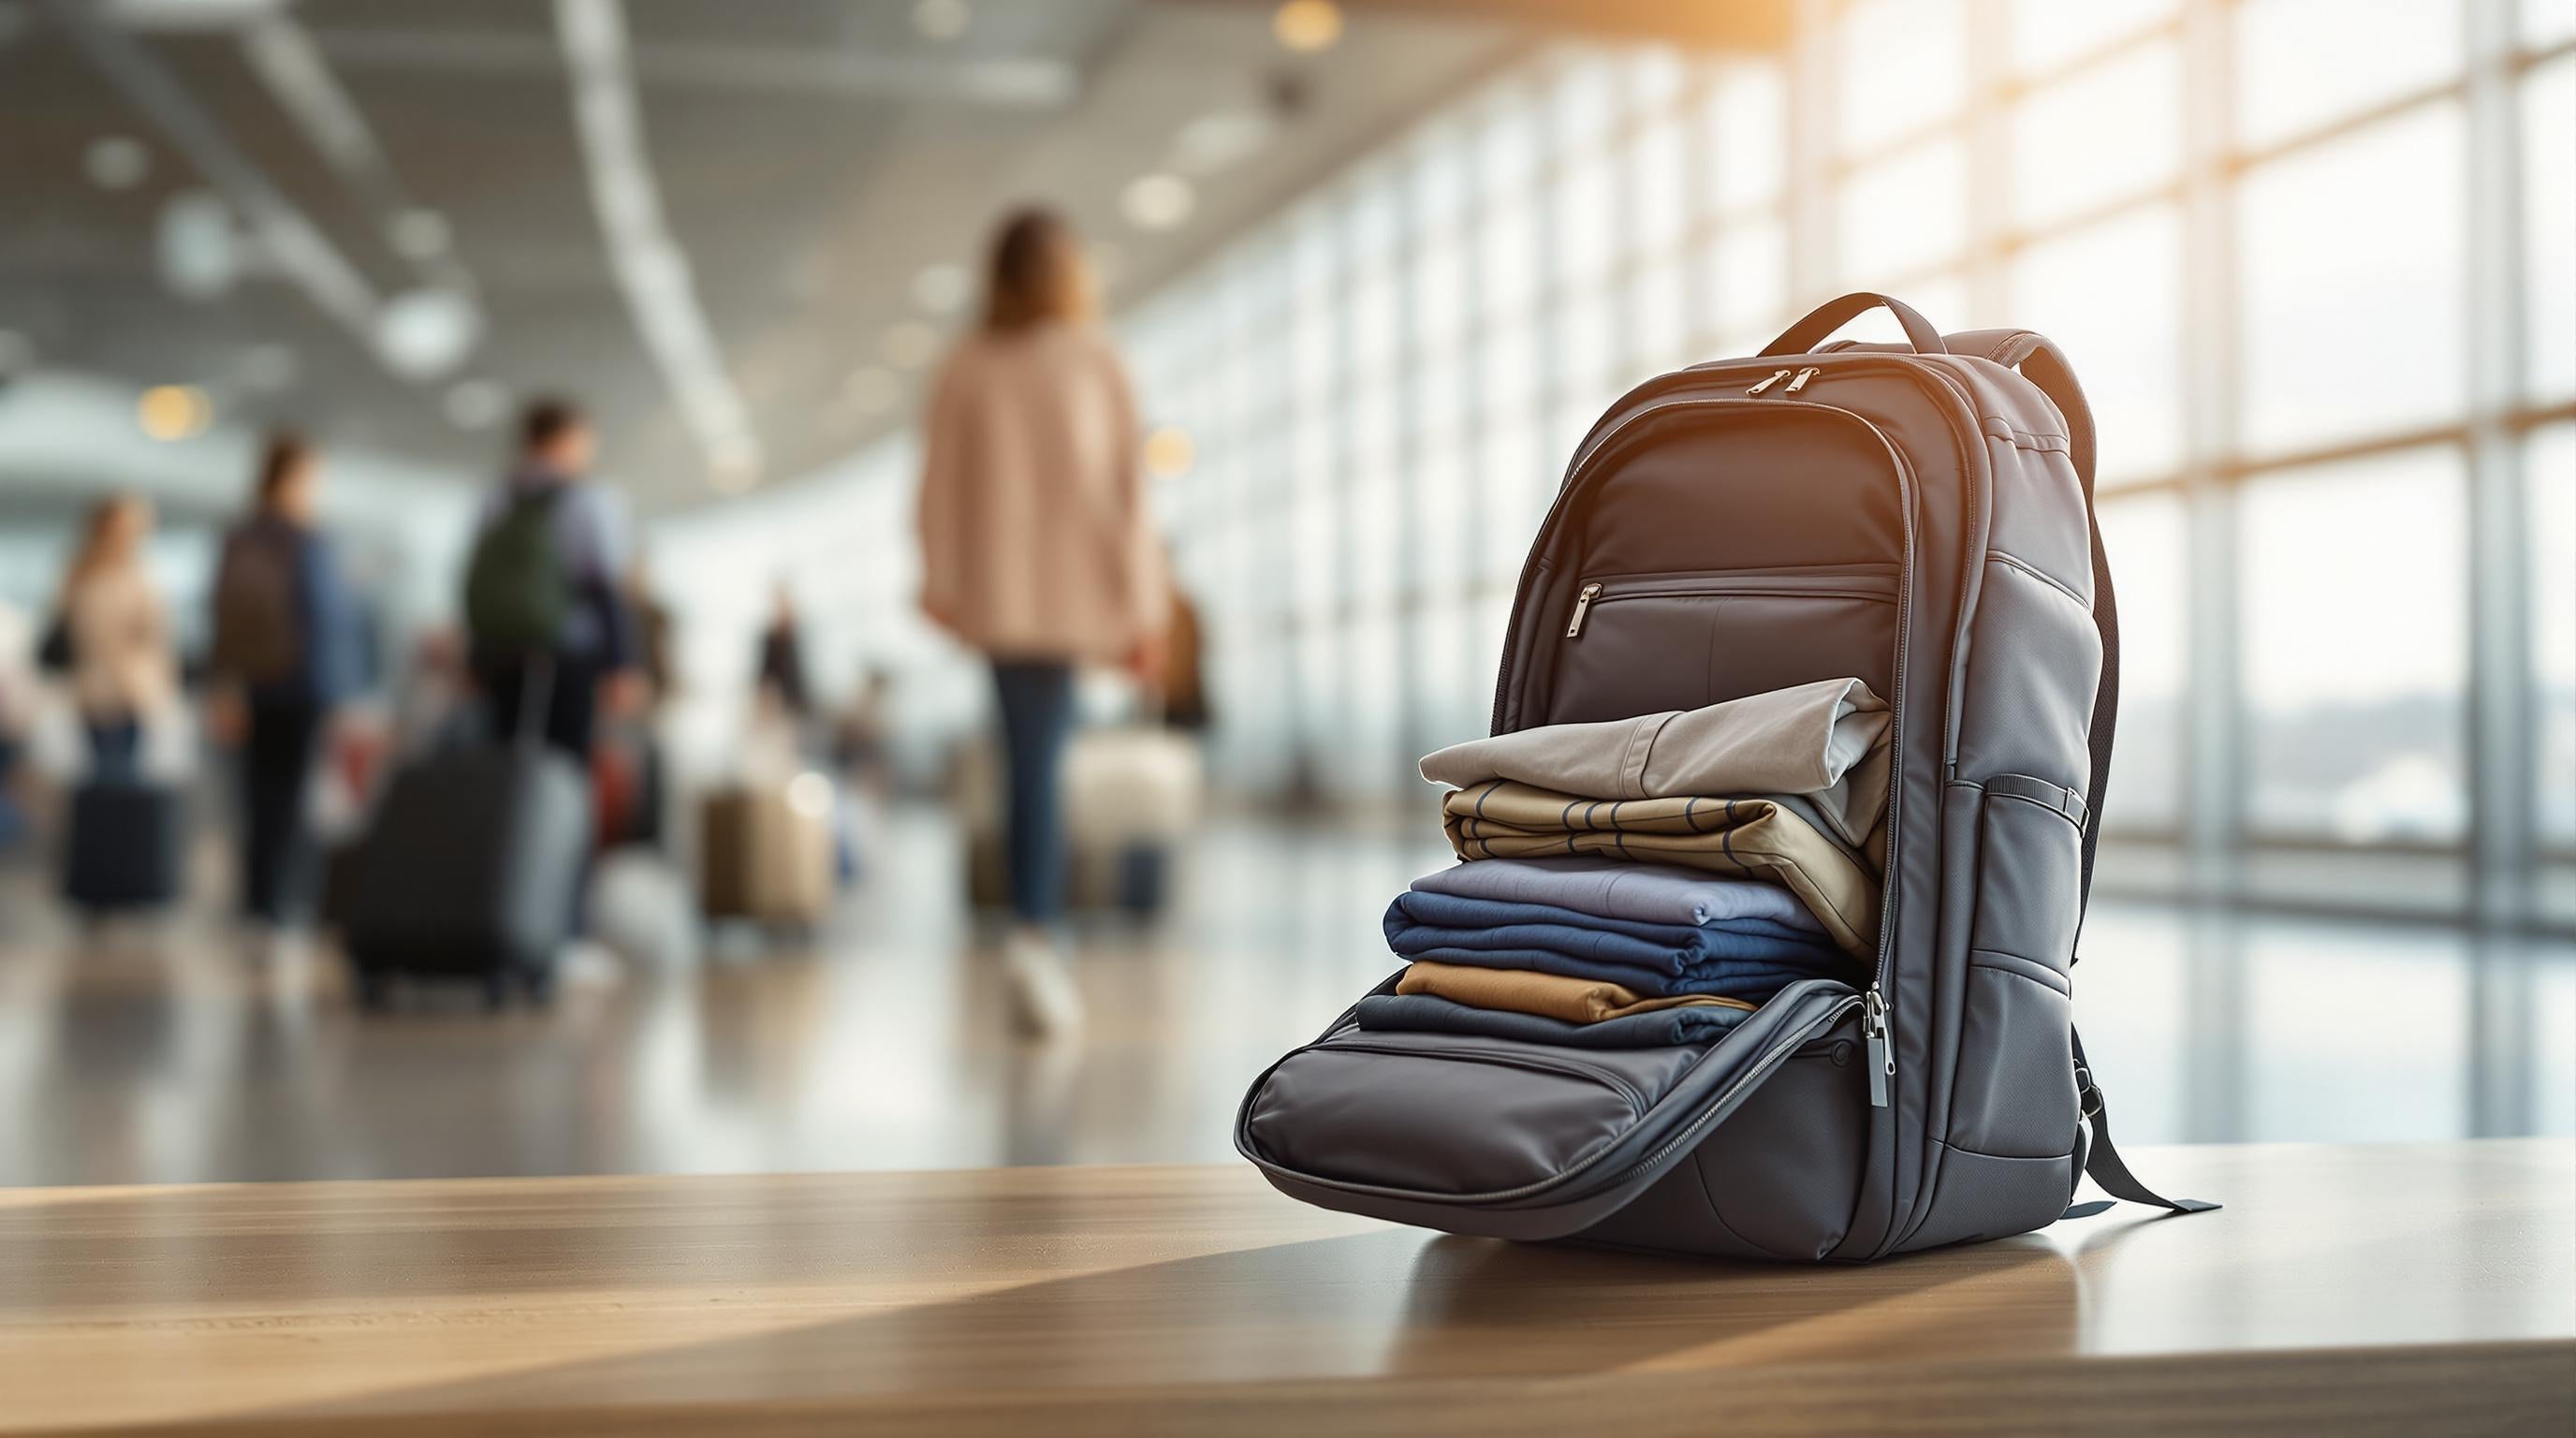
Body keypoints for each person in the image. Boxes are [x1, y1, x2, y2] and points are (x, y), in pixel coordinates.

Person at [917, 205, 1169, 1037]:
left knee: (1031, 759)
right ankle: (1037, 933)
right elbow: (1126, 499)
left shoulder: (966, 364)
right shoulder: (1097, 361)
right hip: (1072, 600)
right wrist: (1142, 610)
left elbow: (939, 485)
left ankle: (1035, 931)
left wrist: (942, 580)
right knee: (1039, 765)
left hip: (998, 599)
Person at [207, 433, 364, 934]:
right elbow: (328, 621)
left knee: (260, 795)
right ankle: (283, 902)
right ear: (294, 477)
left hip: (260, 682)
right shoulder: (309, 541)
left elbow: (224, 619)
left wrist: (224, 685)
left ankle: (261, 902)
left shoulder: (242, 537)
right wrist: (343, 687)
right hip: (300, 683)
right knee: (292, 795)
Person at [462, 398, 641, 764]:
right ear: (565, 439)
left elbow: (477, 581)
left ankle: (504, 822)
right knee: (565, 763)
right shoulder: (587, 500)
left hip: (502, 652)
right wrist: (621, 664)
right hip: (567, 652)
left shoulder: (495, 497)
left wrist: (474, 658)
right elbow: (603, 584)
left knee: (504, 755)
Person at [55, 494, 174, 784]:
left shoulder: (140, 573)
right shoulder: (81, 574)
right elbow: (73, 630)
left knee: (124, 775)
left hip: (130, 690)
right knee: (105, 774)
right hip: (95, 688)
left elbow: (156, 635)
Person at [754, 581, 811, 721]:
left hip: (796, 705)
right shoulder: (770, 639)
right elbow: (765, 677)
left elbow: (802, 679)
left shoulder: (798, 637)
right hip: (776, 706)